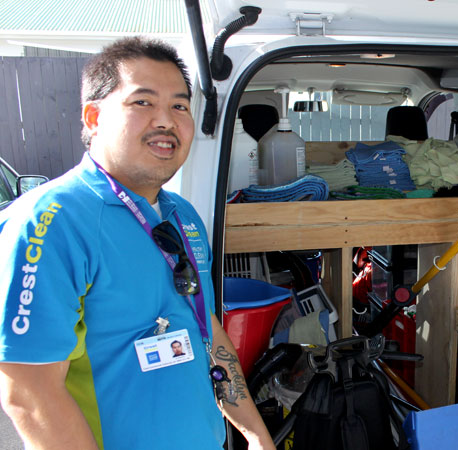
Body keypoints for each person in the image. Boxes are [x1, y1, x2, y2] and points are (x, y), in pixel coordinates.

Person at [0, 37, 276, 450]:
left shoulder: (182, 216)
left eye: (179, 106)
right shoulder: (51, 222)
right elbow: (28, 392)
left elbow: (205, 328)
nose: (166, 120)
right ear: (93, 117)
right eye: (142, 102)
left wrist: (255, 435)